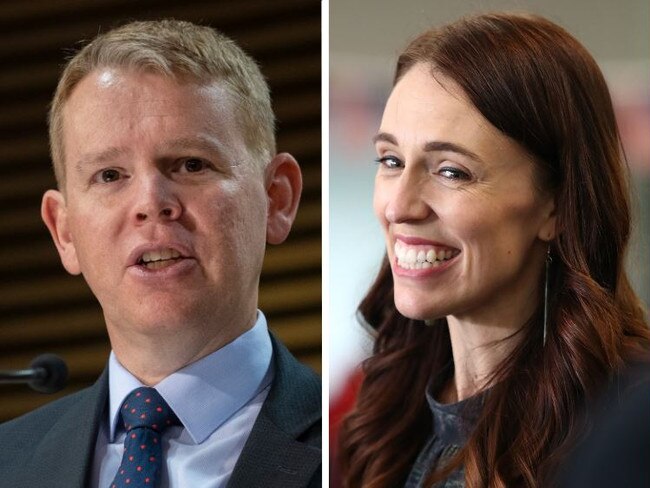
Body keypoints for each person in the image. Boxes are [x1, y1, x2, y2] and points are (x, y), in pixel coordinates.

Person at [0, 19, 321, 488]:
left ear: (277, 198)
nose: (152, 202)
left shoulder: (351, 441)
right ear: (63, 231)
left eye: (191, 164)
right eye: (110, 175)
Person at [337, 12, 650, 487]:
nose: (399, 205)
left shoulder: (627, 421)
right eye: (391, 160)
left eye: (451, 172)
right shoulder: (385, 413)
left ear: (557, 205)